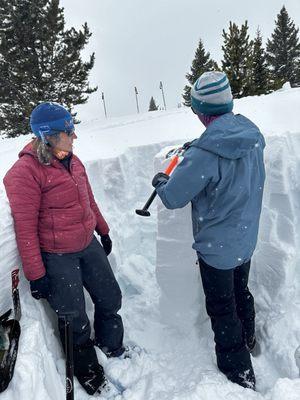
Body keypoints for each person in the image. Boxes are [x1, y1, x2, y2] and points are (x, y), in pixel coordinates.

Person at [152, 71, 265, 390]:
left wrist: (161, 180)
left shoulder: (205, 154)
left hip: (217, 249)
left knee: (222, 307)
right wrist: (200, 147)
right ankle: (249, 338)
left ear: (201, 112)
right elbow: (228, 158)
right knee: (241, 291)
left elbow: (174, 196)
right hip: (245, 238)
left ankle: (239, 374)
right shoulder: (252, 135)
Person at [3, 102, 125, 395]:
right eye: (68, 131)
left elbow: (88, 200)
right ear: (47, 135)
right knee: (73, 318)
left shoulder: (72, 159)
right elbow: (25, 227)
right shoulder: (24, 173)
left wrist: (103, 230)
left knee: (110, 297)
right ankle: (89, 374)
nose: (74, 136)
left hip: (87, 243)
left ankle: (111, 346)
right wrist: (36, 274)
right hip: (58, 255)